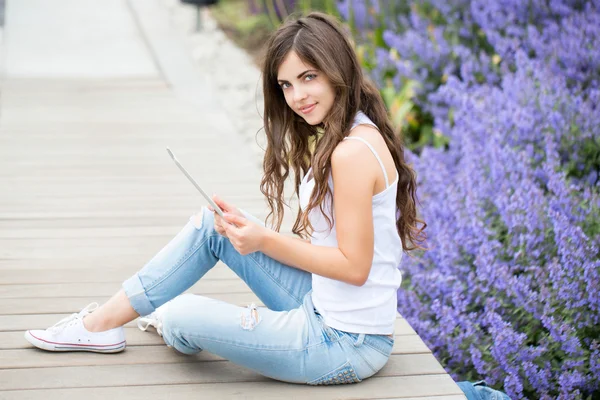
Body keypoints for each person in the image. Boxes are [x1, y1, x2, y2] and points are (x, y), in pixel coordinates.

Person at [24, 12, 425, 385]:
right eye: (286, 84)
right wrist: (255, 234)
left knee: (179, 315)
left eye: (308, 77)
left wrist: (264, 240)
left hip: (344, 343)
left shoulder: (351, 152)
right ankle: (100, 324)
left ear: (337, 71)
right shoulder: (353, 131)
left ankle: (170, 320)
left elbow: (354, 267)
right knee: (212, 225)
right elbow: (337, 250)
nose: (297, 96)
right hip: (323, 305)